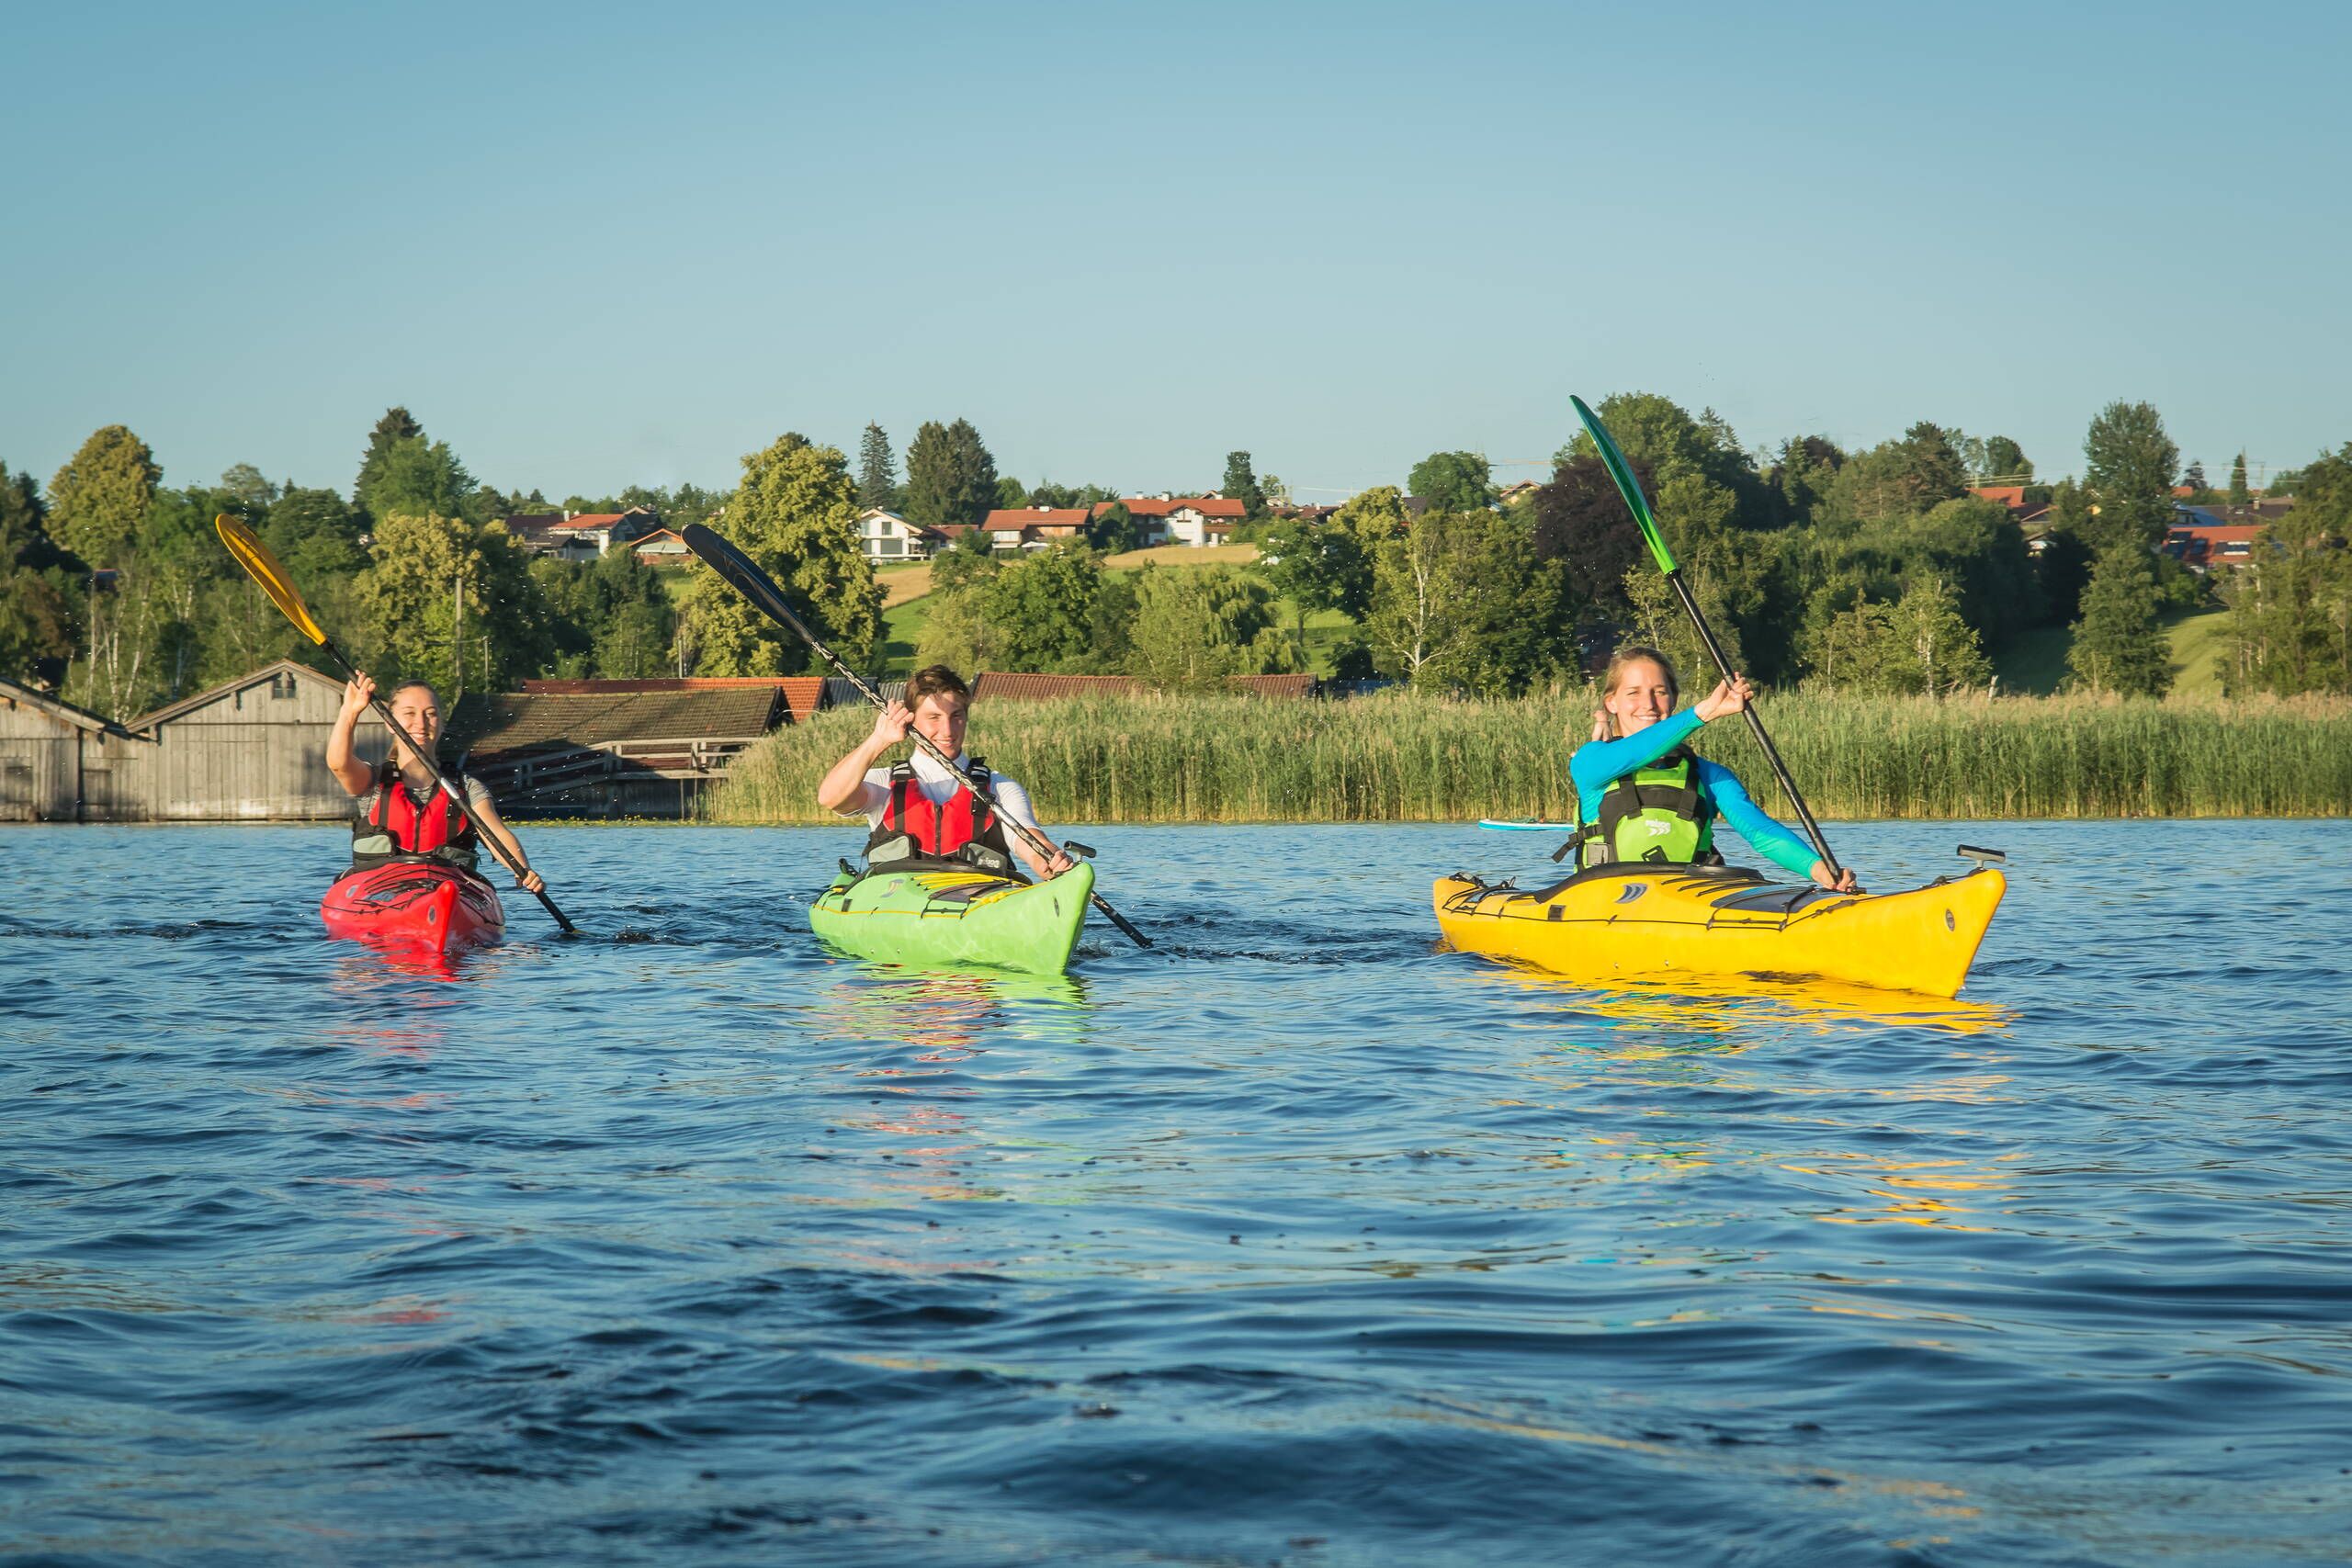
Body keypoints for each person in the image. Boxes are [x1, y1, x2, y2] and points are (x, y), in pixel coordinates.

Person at [1564, 645, 1859, 891]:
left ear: (1673, 699)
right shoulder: (1591, 762)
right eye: (1633, 693)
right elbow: (1636, 751)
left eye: (1660, 692)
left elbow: (1761, 833)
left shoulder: (1709, 776)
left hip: (1686, 903)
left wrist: (1820, 871)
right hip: (1603, 903)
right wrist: (1703, 712)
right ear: (1611, 703)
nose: (1649, 704)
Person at [817, 664, 1074, 882]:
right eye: (934, 717)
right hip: (898, 903)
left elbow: (1028, 840)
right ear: (910, 720)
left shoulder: (1000, 788)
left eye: (956, 716)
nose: (948, 730)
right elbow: (830, 798)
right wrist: (879, 740)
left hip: (978, 901)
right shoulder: (883, 784)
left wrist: (1049, 859)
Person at [325, 672, 546, 894]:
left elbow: (496, 834)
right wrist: (349, 713)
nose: (421, 723)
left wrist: (523, 869)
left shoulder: (467, 788)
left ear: (441, 723)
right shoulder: (373, 782)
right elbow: (338, 764)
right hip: (381, 894)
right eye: (409, 713)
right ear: (390, 723)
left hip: (448, 894)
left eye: (430, 714)